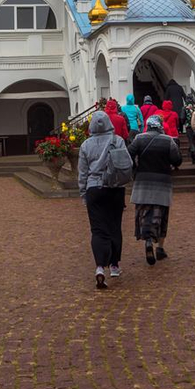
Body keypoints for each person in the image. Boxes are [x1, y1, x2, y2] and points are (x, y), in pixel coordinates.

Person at [78, 111, 129, 289]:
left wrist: (83, 193)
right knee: (115, 226)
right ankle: (114, 265)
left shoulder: (85, 145)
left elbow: (82, 173)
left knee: (98, 230)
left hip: (94, 189)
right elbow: (125, 163)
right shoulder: (118, 140)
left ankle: (100, 267)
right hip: (114, 188)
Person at [128, 114, 182, 264]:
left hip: (143, 183)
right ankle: (160, 247)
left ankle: (148, 241)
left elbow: (128, 154)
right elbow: (177, 160)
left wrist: (135, 167)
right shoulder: (168, 140)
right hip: (162, 184)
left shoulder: (139, 139)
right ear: (160, 125)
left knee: (144, 213)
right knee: (161, 215)